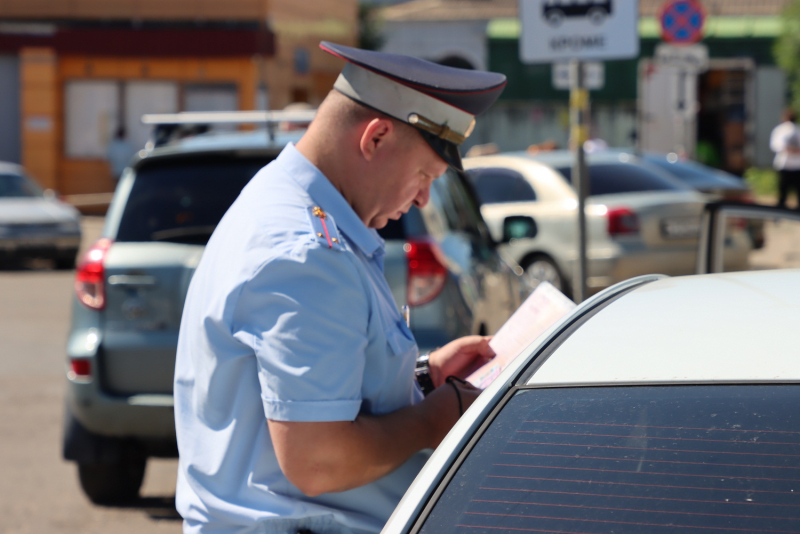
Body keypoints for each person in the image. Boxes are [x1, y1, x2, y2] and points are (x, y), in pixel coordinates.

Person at [173, 41, 506, 534]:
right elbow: (318, 461)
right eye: (423, 174)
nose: (421, 197)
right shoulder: (306, 251)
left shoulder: (292, 209)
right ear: (375, 138)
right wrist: (435, 419)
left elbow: (308, 392)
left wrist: (420, 381)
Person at [770, 108, 800, 209]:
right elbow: (777, 146)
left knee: (783, 191)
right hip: (789, 165)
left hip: (789, 165)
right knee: (785, 190)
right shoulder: (784, 129)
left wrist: (791, 150)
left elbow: (775, 145)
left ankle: (781, 211)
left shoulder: (780, 130)